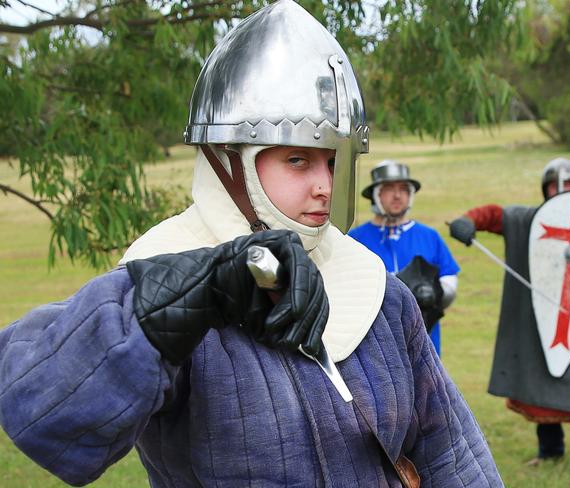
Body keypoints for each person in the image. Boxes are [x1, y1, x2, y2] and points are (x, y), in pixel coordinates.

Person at [0, 2, 503, 487]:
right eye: (297, 160)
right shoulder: (161, 272)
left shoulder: (380, 292)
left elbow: (450, 454)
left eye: (330, 161)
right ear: (229, 160)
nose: (325, 185)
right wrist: (196, 294)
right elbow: (45, 415)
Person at [448, 157, 570, 483]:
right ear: (544, 189)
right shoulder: (531, 220)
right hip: (539, 321)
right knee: (541, 379)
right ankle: (551, 452)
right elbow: (494, 215)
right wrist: (467, 221)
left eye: (568, 186)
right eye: (555, 186)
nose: (561, 191)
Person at [348, 160, 460, 356]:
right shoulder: (355, 240)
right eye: (389, 188)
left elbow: (449, 283)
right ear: (377, 194)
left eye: (403, 189)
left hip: (424, 344)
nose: (397, 195)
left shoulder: (429, 236)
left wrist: (432, 294)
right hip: (372, 346)